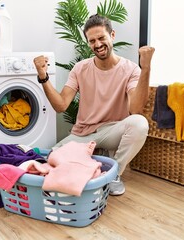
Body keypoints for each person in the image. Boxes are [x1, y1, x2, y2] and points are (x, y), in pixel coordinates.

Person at [33, 14, 155, 196]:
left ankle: (114, 174)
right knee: (50, 159)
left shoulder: (130, 69)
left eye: (101, 38)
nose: (97, 44)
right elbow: (61, 106)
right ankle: (97, 160)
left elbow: (135, 109)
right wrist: (43, 77)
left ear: (112, 35)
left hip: (111, 131)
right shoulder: (80, 68)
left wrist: (146, 68)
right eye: (92, 41)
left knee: (139, 123)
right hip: (83, 133)